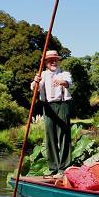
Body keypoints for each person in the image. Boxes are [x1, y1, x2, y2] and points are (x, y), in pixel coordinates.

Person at [31, 50, 72, 178]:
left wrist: (62, 82)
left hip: (62, 105)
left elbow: (68, 83)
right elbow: (35, 87)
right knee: (50, 136)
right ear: (46, 63)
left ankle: (64, 168)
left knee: (64, 136)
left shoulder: (64, 73)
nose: (53, 62)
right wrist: (35, 81)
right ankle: (53, 167)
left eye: (55, 59)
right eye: (50, 60)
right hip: (48, 106)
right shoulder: (42, 74)